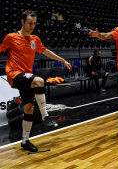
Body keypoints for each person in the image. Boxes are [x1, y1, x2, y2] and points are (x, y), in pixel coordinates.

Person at [0, 10, 72, 152]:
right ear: (22, 22)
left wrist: (62, 60)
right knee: (39, 81)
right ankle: (45, 117)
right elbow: (1, 49)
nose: (32, 26)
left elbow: (46, 51)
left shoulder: (35, 39)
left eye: (34, 23)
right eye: (29, 23)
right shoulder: (11, 37)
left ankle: (25, 141)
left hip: (27, 77)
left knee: (29, 109)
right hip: (14, 74)